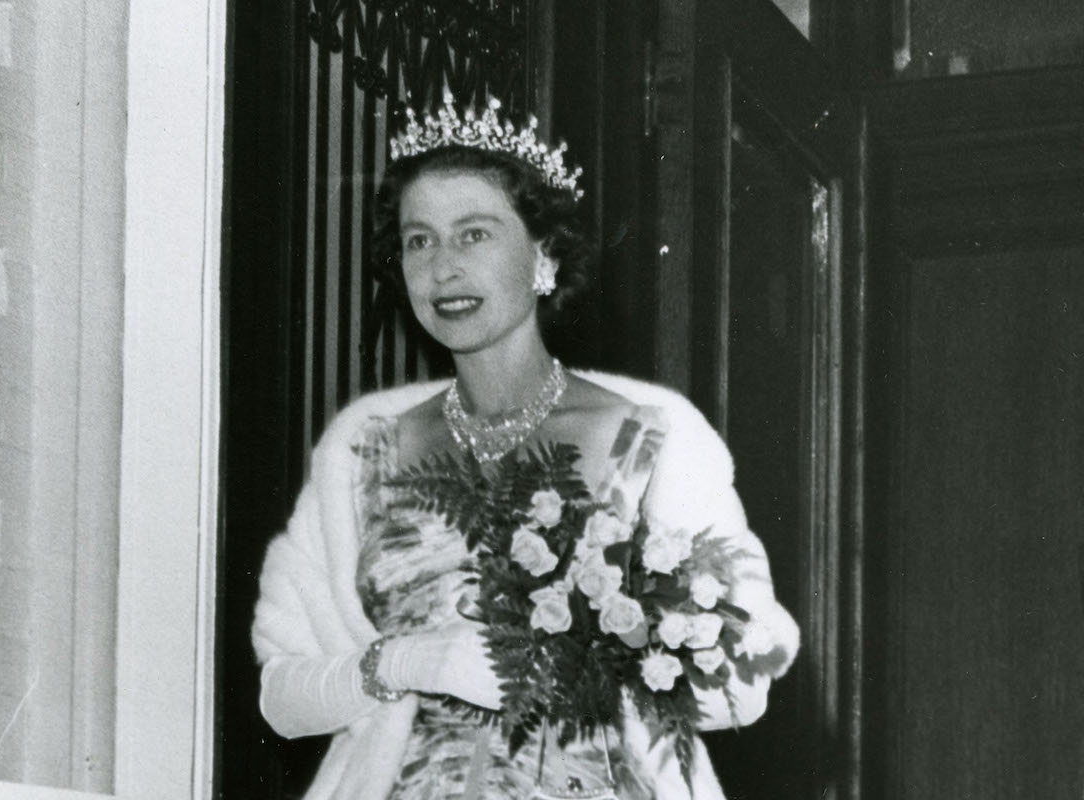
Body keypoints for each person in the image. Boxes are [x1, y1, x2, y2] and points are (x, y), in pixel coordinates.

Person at [252, 93, 799, 800]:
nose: (442, 268)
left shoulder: (651, 438)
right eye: (419, 240)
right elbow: (281, 697)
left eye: (474, 234)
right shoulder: (362, 451)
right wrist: (410, 660)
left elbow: (748, 680)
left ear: (544, 255)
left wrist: (605, 653)